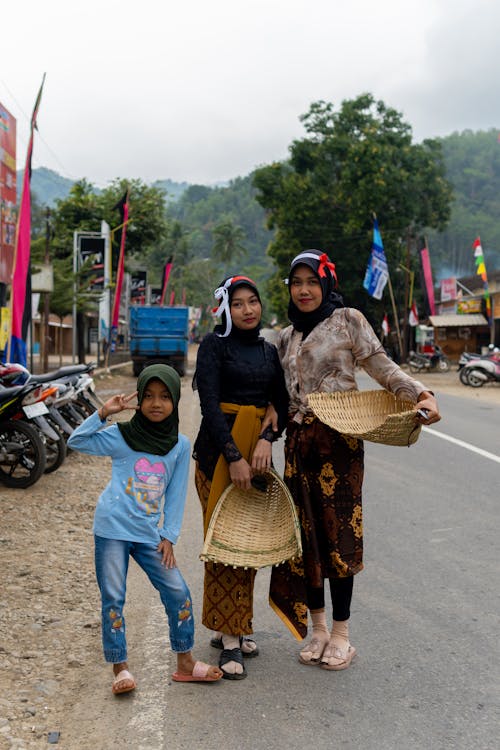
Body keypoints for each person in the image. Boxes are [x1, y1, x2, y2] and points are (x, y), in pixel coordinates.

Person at [268, 249, 441, 672]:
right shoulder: (286, 336)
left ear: (326, 283)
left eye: (312, 281)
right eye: (297, 282)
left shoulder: (348, 320)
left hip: (339, 446)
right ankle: (319, 629)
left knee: (339, 535)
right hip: (298, 445)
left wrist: (420, 394)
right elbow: (274, 396)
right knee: (305, 538)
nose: (304, 290)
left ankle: (343, 634)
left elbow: (383, 368)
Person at [67, 364, 223, 693]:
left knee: (178, 592)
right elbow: (76, 441)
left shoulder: (179, 446)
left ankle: (185, 662)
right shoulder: (121, 436)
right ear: (138, 399)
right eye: (148, 396)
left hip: (149, 534)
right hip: (111, 529)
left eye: (165, 396)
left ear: (175, 400)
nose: (156, 403)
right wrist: (103, 412)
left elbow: (177, 494)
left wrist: (169, 536)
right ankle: (120, 668)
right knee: (113, 598)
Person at [193, 274, 288, 679]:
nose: (248, 310)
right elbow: (210, 406)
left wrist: (267, 437)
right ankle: (230, 643)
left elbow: (280, 402)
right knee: (224, 546)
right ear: (225, 309)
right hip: (216, 457)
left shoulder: (269, 352)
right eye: (238, 304)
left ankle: (236, 623)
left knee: (247, 545)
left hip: (257, 459)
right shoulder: (214, 347)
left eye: (253, 302)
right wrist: (233, 456)